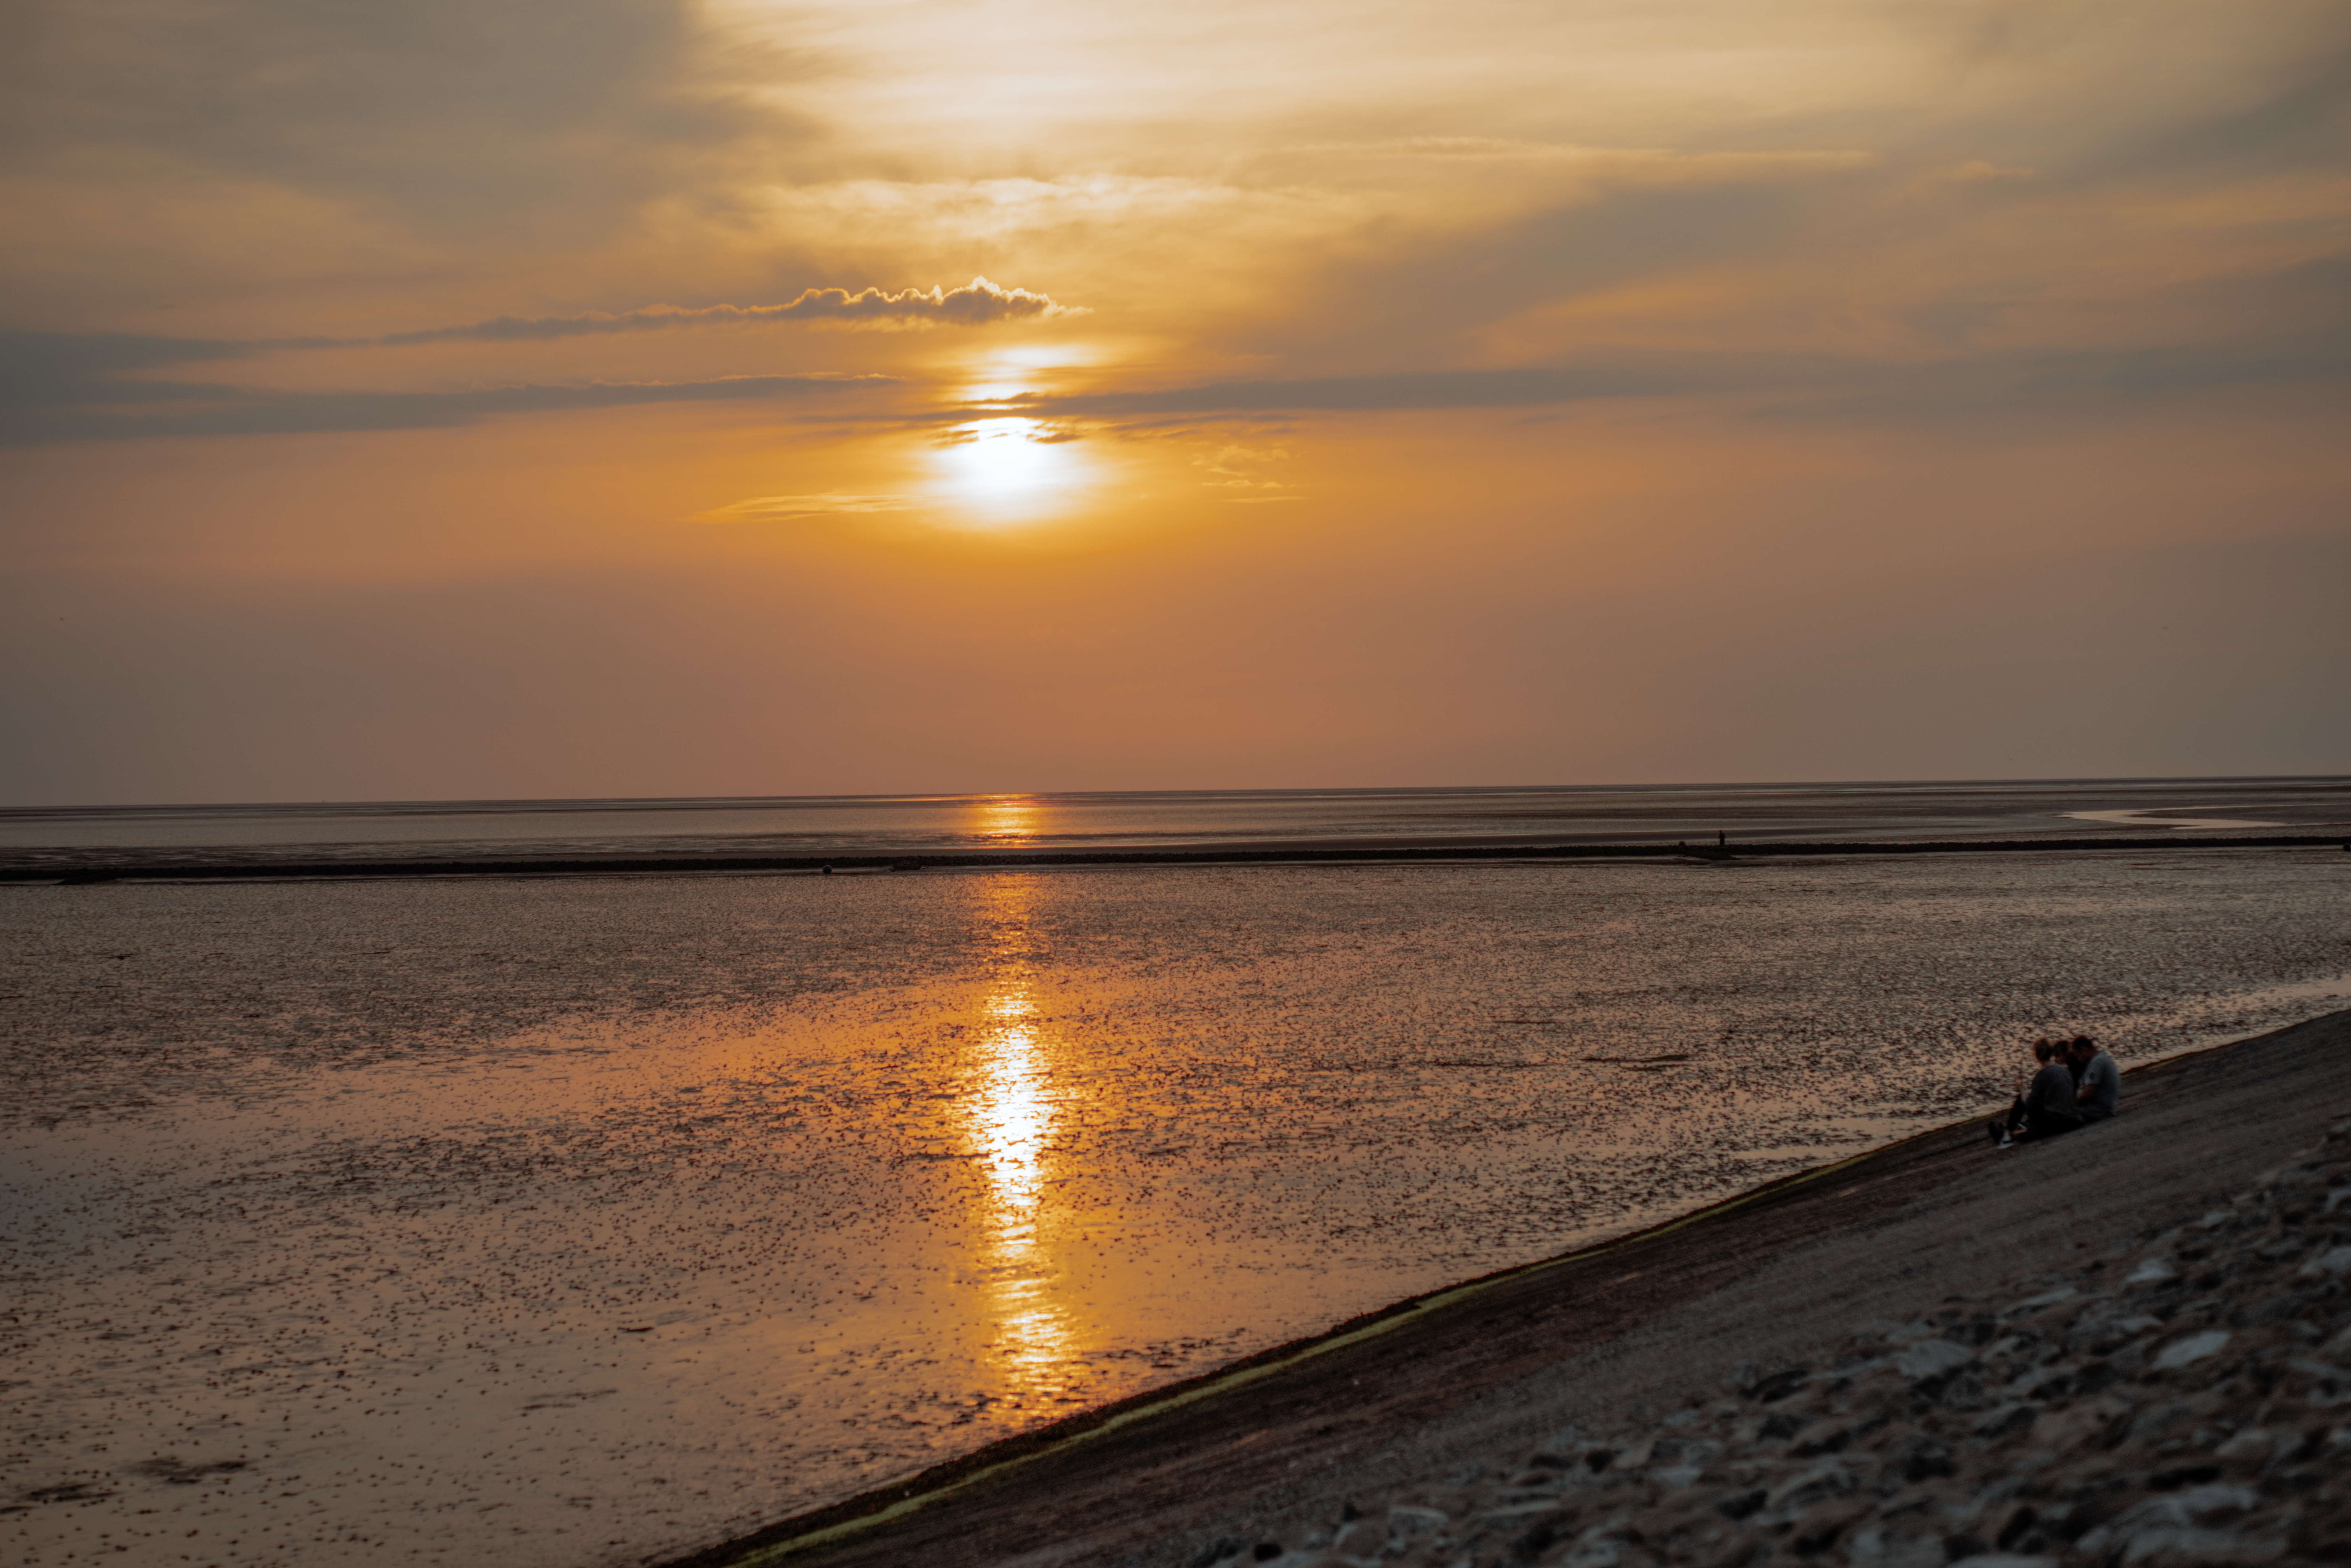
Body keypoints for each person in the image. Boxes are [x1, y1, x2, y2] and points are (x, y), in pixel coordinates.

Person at [1989, 1039, 2083, 1147]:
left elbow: (2030, 1105)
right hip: (2073, 1119)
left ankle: (2009, 1133)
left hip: (2058, 1123)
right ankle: (2010, 1132)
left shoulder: (2042, 1075)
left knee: (2022, 1099)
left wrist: (2021, 1087)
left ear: (2037, 1056)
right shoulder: (2065, 1070)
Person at [2070, 1034, 2120, 1122]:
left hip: (2098, 1110)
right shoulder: (2100, 1059)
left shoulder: (2097, 1062)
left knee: (2062, 1115)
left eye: (2077, 1056)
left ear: (2084, 1050)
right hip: (2101, 1108)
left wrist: (2072, 1103)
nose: (2078, 1059)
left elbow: (2088, 1092)